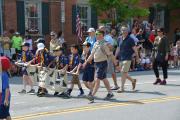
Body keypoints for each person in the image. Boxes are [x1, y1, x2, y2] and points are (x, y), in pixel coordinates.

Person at [83, 30, 117, 103]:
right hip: (97, 63)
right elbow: (92, 54)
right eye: (96, 34)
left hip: (103, 63)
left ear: (102, 35)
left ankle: (92, 95)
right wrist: (86, 62)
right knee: (104, 78)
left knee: (97, 79)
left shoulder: (105, 44)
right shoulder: (96, 43)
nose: (96, 35)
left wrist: (116, 64)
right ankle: (110, 93)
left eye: (98, 34)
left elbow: (110, 54)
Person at [115, 26, 139, 93]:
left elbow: (135, 49)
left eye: (125, 30)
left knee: (123, 72)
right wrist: (115, 56)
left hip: (128, 58)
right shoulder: (119, 38)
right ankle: (133, 80)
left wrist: (137, 57)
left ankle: (122, 88)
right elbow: (118, 48)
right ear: (121, 31)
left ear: (127, 31)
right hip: (121, 58)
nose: (124, 31)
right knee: (123, 73)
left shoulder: (130, 39)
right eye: (122, 30)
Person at [100, 26, 119, 90]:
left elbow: (111, 48)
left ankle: (116, 85)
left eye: (102, 29)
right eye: (100, 29)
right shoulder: (99, 38)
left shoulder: (108, 37)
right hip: (100, 57)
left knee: (111, 71)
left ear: (105, 30)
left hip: (108, 57)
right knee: (100, 71)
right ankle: (98, 84)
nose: (101, 30)